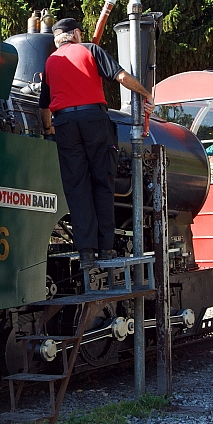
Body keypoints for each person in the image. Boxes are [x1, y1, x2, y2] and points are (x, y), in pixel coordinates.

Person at [38, 18, 154, 271]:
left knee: (76, 188)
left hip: (65, 123)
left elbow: (44, 106)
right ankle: (107, 249)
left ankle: (86, 253)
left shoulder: (50, 62)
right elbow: (122, 77)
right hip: (94, 119)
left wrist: (49, 130)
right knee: (102, 182)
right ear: (76, 34)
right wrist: (145, 94)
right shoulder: (90, 50)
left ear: (58, 39)